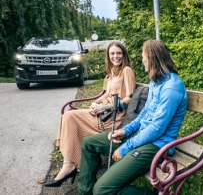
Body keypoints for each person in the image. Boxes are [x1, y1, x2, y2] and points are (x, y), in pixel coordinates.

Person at [77, 39, 188, 195]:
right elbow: (144, 114)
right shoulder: (156, 81)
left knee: (102, 190)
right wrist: (125, 131)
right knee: (89, 143)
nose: (143, 62)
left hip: (157, 146)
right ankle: (85, 192)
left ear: (152, 59)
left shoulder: (172, 88)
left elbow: (157, 128)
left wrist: (126, 147)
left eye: (144, 58)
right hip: (142, 136)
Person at [44, 41, 136, 187]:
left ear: (123, 54)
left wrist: (110, 106)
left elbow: (130, 97)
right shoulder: (111, 72)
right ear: (108, 55)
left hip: (113, 117)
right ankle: (69, 165)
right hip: (103, 111)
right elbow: (106, 94)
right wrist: (96, 103)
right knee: (68, 116)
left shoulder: (127, 71)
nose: (115, 56)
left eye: (119, 53)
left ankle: (71, 166)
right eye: (112, 53)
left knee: (70, 118)